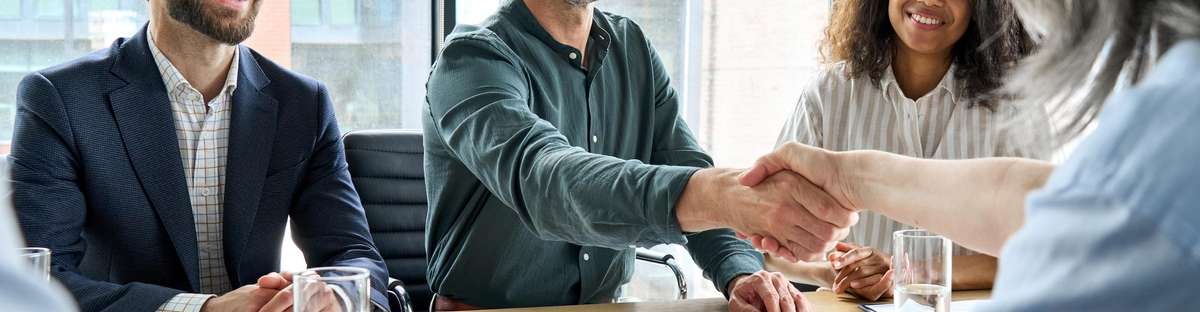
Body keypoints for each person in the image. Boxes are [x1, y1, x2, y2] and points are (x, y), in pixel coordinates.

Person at [742, 0, 1200, 310]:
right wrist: (848, 187)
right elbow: (1030, 200)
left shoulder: (1161, 124)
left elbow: (1043, 223)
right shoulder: (829, 92)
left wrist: (904, 267)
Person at [423, 0, 858, 311]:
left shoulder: (631, 47)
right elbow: (546, 180)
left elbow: (688, 170)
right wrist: (721, 196)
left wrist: (740, 275)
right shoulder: (471, 59)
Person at [9, 0, 390, 310]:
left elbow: (353, 254)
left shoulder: (303, 103)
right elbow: (39, 276)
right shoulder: (59, 98)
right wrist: (203, 309)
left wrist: (333, 298)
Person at [767, 0, 1042, 300]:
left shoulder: (1016, 107)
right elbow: (770, 246)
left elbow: (1043, 251)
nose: (931, 1)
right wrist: (836, 270)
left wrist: (905, 270)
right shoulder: (827, 94)